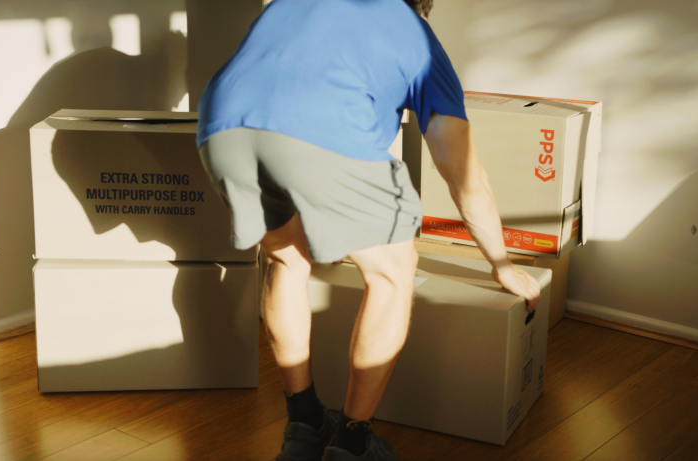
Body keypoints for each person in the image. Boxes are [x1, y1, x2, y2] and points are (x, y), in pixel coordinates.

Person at [196, 0, 540, 459]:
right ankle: (354, 443)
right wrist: (501, 262)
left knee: (287, 259)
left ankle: (304, 424)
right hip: (316, 128)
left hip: (219, 124)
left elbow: (280, 89)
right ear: (422, 7)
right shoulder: (416, 36)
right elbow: (463, 174)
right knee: (392, 271)